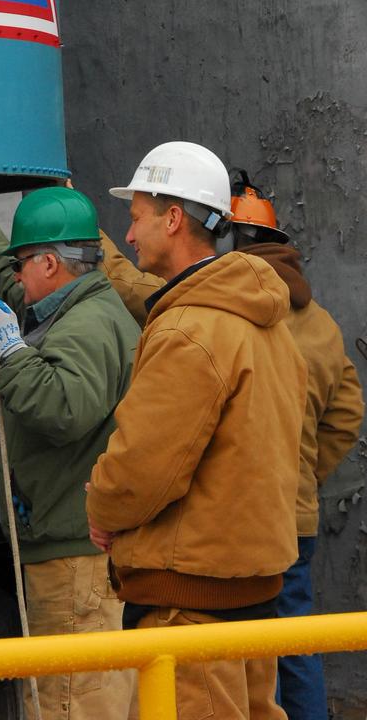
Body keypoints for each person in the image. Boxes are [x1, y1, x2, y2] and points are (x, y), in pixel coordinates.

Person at [86, 141, 307, 720]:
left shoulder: (188, 330)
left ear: (174, 218)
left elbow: (140, 467)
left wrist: (102, 508)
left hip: (188, 609)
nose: (129, 237)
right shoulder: (267, 324)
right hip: (252, 599)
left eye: (135, 218)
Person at [0, 166, 140, 720]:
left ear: (49, 262)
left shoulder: (89, 325)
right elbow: (2, 274)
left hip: (73, 557)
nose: (15, 277)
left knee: (72, 702)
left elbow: (63, 408)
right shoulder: (68, 304)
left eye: (25, 263)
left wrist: (11, 350)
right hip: (68, 544)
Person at [228, 171, 364, 720]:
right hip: (297, 514)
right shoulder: (321, 324)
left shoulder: (231, 313)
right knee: (296, 638)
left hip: (244, 518)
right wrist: (306, 473)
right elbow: (348, 413)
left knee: (249, 650)